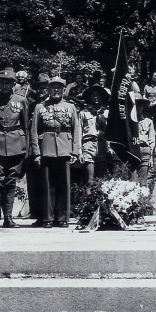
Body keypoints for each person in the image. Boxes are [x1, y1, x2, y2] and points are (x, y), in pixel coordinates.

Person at [30, 76, 79, 228]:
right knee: (47, 185)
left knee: (64, 185)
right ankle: (48, 218)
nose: (56, 90)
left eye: (59, 88)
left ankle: (63, 217)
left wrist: (75, 152)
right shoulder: (40, 107)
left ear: (64, 90)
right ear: (48, 89)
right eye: (53, 88)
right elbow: (34, 131)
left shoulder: (70, 107)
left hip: (65, 148)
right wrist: (37, 153)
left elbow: (76, 130)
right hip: (47, 148)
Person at [0, 70, 28, 229]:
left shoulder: (21, 100)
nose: (5, 85)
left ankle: (8, 218)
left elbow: (25, 126)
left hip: (16, 144)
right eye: (2, 82)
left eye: (8, 82)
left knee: (11, 181)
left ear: (13, 84)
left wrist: (27, 149)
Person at [26, 73, 50, 227]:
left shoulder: (51, 105)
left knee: (47, 181)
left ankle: (49, 213)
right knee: (34, 182)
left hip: (49, 146)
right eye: (39, 88)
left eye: (44, 88)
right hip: (33, 146)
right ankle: (37, 213)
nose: (41, 91)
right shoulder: (32, 105)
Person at [77, 85, 112, 184]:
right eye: (93, 95)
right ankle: (88, 198)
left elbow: (111, 132)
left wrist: (111, 146)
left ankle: (100, 199)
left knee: (101, 178)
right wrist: (79, 150)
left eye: (98, 95)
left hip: (102, 145)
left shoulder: (107, 113)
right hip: (88, 145)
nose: (96, 97)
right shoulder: (84, 113)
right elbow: (79, 132)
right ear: (89, 98)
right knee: (90, 179)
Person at [134, 94, 155, 189]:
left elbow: (151, 139)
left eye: (139, 106)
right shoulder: (129, 123)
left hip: (144, 151)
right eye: (134, 106)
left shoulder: (148, 121)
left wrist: (151, 157)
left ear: (143, 107)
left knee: (143, 180)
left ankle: (143, 201)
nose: (137, 108)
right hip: (133, 151)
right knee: (133, 180)